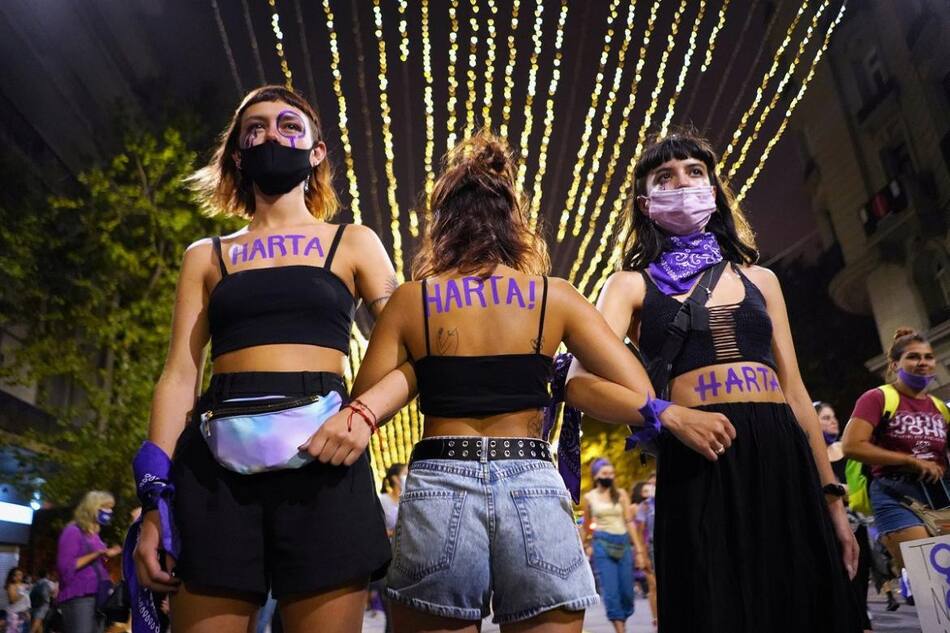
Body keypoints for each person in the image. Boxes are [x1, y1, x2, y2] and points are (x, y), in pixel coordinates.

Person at [301, 129, 731, 633]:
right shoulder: (555, 296)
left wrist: (429, 364)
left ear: (443, 223)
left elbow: (365, 399)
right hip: (530, 478)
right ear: (516, 220)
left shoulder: (411, 300)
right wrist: (545, 367)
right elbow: (637, 388)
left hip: (442, 477)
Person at [567, 130, 862, 632]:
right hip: (699, 453)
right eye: (666, 176)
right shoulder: (629, 284)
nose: (683, 183)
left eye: (695, 172)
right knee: (714, 603)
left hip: (780, 452)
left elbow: (795, 393)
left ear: (714, 188)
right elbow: (578, 384)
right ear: (646, 202)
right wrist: (666, 415)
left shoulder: (761, 279)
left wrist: (833, 500)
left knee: (799, 603)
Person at [132, 85, 395, 633]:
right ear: (237, 153)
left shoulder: (354, 241)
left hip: (326, 465)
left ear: (317, 152)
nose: (272, 135)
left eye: (289, 125)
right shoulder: (205, 255)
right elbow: (179, 374)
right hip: (214, 473)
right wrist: (154, 498)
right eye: (256, 128)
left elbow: (413, 344)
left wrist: (364, 414)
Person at [841, 328, 950, 582]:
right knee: (929, 579)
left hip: (939, 494)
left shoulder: (940, 409)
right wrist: (909, 461)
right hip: (895, 495)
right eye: (913, 357)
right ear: (894, 364)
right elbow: (852, 445)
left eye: (928, 357)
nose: (923, 363)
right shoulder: (877, 398)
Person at [816, 401, 873, 632]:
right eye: (826, 418)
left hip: (858, 524)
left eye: (834, 417)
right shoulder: (812, 455)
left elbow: (861, 486)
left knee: (860, 580)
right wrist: (840, 490)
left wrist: (841, 489)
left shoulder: (847, 449)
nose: (833, 421)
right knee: (842, 582)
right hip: (829, 527)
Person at [582, 458, 647, 633]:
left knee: (627, 593)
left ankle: (622, 620)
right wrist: (581, 547)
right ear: (596, 476)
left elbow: (629, 522)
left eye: (611, 474)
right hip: (602, 544)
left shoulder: (622, 494)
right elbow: (587, 526)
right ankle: (620, 629)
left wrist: (639, 550)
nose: (609, 477)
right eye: (605, 474)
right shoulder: (589, 498)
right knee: (611, 591)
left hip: (623, 544)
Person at [56, 491, 121, 633]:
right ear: (92, 508)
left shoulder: (95, 536)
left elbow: (98, 563)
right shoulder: (72, 531)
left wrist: (109, 556)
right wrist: (97, 554)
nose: (109, 512)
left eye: (111, 508)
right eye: (106, 507)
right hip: (79, 596)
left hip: (97, 596)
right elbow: (65, 567)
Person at [369, 462, 406, 632]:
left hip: (406, 557)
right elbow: (376, 529)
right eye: (405, 473)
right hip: (389, 560)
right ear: (395, 479)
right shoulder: (384, 500)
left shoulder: (408, 498)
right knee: (391, 609)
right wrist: (394, 532)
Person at [631, 477, 657, 629]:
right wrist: (641, 554)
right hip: (650, 547)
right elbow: (639, 532)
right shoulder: (644, 506)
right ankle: (656, 620)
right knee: (653, 586)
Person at [4, 568, 30, 633]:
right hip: (14, 615)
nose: (18, 577)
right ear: (12, 576)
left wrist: (27, 612)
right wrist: (22, 591)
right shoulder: (11, 586)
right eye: (16, 575)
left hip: (24, 614)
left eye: (20, 575)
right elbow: (12, 600)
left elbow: (26, 602)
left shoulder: (24, 585)